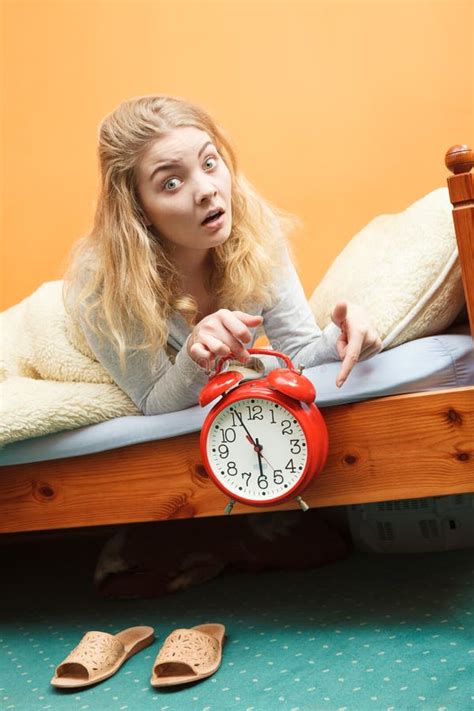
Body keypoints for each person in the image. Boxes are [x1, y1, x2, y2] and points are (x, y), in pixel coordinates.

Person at [64, 95, 382, 416]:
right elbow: (152, 400)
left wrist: (337, 339)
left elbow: (298, 351)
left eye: (209, 163)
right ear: (138, 209)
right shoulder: (104, 283)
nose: (206, 190)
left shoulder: (256, 231)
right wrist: (195, 355)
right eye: (171, 183)